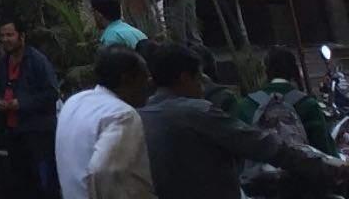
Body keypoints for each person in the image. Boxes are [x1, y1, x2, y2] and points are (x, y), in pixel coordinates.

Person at [141, 43, 346, 199]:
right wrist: (331, 167)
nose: (202, 88)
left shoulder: (140, 116)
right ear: (185, 78)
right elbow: (264, 145)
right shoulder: (196, 112)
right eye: (199, 80)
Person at [56, 46, 155, 199]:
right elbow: (105, 172)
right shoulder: (122, 114)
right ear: (127, 79)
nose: (149, 84)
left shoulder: (75, 101)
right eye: (145, 77)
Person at [0, 18, 60, 199]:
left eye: (10, 35)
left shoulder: (37, 61)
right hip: (13, 133)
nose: (5, 39)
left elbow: (51, 93)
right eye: (2, 35)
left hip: (37, 133)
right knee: (20, 183)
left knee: (43, 183)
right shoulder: (3, 63)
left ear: (22, 36)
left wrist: (21, 103)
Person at [237, 46, 340, 157]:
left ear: (265, 71)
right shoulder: (308, 104)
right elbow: (326, 149)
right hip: (301, 166)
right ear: (295, 71)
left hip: (260, 166)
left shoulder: (246, 104)